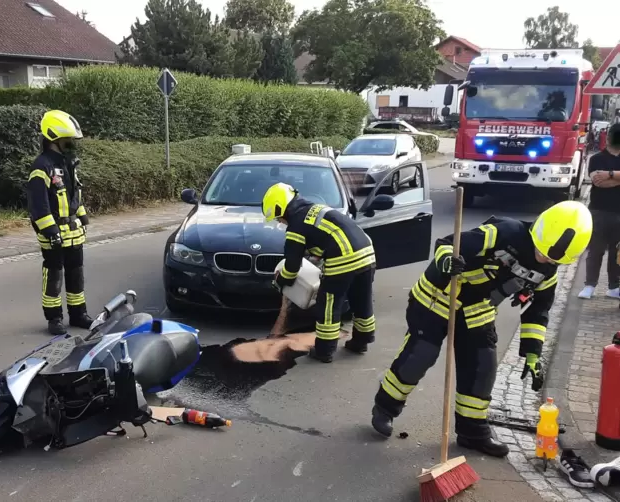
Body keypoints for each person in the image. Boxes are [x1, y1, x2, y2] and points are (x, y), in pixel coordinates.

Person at [370, 201, 592, 457]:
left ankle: (472, 432)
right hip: (438, 296)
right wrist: (447, 263)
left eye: (552, 259)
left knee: (482, 367)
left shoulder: (548, 273)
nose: (543, 259)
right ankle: (385, 408)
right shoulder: (504, 232)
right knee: (421, 355)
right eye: (542, 252)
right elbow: (446, 244)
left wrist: (533, 353)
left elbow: (537, 311)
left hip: (478, 309)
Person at [262, 182, 376, 363]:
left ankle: (324, 351)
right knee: (361, 300)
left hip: (343, 259)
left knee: (328, 305)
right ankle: (362, 341)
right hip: (367, 253)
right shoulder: (315, 209)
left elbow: (292, 267)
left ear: (281, 209)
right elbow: (325, 237)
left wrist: (281, 280)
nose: (280, 223)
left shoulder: (296, 225)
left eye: (278, 218)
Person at [26, 110, 93, 335]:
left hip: (73, 232)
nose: (72, 143)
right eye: (69, 140)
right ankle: (54, 319)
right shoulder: (41, 167)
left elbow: (74, 195)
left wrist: (82, 215)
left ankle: (78, 314)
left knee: (76, 274)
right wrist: (51, 230)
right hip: (53, 234)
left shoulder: (68, 163)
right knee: (54, 275)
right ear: (55, 138)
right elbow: (38, 205)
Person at [578, 123, 620, 299]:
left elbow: (604, 180)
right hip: (598, 210)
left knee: (617, 253)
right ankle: (590, 285)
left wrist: (609, 175)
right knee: (596, 250)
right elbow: (597, 182)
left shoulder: (600, 161)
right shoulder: (596, 158)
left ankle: (614, 287)